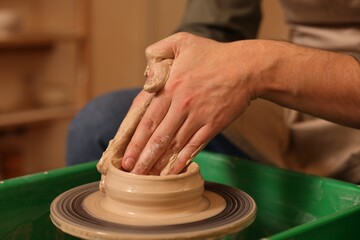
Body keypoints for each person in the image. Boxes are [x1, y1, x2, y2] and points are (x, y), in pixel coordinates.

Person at [67, 0, 360, 183]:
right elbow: (215, 22)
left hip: (338, 95)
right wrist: (177, 67)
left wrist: (258, 65)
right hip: (298, 108)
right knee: (101, 124)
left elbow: (258, 67)